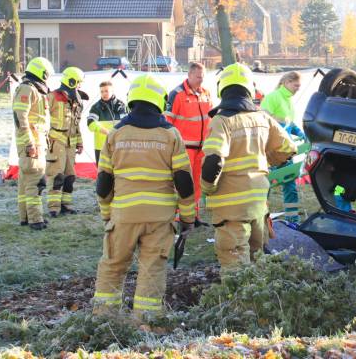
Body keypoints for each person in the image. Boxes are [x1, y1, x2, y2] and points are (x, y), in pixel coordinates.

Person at [92, 74, 195, 319]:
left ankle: (104, 321)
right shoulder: (171, 135)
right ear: (159, 102)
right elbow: (184, 183)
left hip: (124, 215)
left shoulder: (115, 134)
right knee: (152, 269)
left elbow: (104, 183)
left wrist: (107, 215)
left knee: (113, 266)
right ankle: (146, 323)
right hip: (160, 219)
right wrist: (188, 219)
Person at [200, 62, 297, 270]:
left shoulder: (221, 121)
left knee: (236, 271)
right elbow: (288, 148)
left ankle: (238, 304)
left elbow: (213, 161)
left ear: (221, 89)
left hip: (231, 210)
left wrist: (207, 188)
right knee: (256, 267)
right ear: (250, 88)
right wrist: (264, 161)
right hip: (258, 206)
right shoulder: (262, 118)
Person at [165, 62, 212, 221]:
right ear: (189, 75)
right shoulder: (176, 94)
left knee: (198, 184)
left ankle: (194, 215)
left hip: (202, 148)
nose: (201, 80)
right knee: (183, 183)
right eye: (198, 76)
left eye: (203, 76)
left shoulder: (206, 93)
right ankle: (180, 216)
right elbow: (167, 122)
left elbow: (210, 120)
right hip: (184, 149)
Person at [12, 56, 54, 231]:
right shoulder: (27, 89)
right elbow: (20, 117)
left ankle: (25, 218)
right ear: (41, 73)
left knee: (25, 182)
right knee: (36, 182)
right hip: (32, 144)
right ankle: (35, 220)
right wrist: (30, 143)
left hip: (34, 142)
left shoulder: (32, 89)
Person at [261, 71, 304, 223]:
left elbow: (288, 123)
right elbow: (264, 119)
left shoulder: (289, 101)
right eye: (296, 85)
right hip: (272, 150)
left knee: (290, 184)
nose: (298, 88)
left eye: (299, 86)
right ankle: (260, 217)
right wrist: (282, 127)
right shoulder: (273, 97)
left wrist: (297, 130)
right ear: (286, 82)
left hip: (286, 150)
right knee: (265, 184)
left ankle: (292, 219)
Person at [46, 66, 86, 217]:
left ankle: (66, 205)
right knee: (56, 176)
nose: (80, 86)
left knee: (70, 176)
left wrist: (80, 142)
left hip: (71, 145)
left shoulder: (76, 100)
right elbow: (43, 119)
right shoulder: (53, 97)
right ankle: (53, 208)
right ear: (71, 81)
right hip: (56, 143)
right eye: (79, 83)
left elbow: (76, 124)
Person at [87, 81, 128, 165]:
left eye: (106, 91)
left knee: (119, 172)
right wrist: (105, 131)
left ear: (112, 91)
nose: (104, 94)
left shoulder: (121, 105)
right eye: (102, 91)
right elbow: (90, 124)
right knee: (102, 174)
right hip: (101, 147)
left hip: (118, 145)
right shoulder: (96, 107)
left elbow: (127, 123)